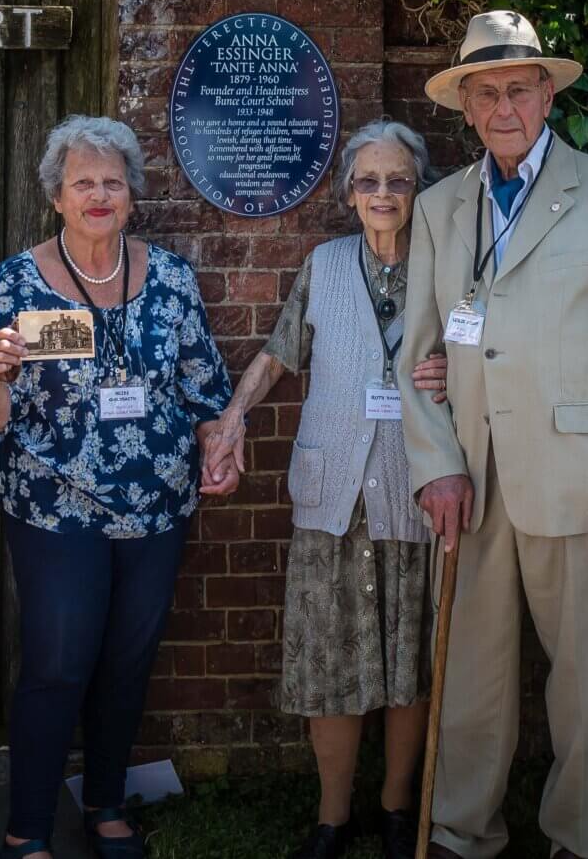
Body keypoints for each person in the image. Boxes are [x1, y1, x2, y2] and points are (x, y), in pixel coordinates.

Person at [399, 10, 588, 859]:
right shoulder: (443, 207)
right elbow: (418, 352)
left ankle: (579, 838)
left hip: (583, 481)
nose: (504, 106)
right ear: (467, 109)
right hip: (473, 479)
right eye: (487, 93)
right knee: (471, 678)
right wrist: (436, 466)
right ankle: (460, 829)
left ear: (547, 95)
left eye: (519, 88)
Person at [0, 115, 239, 859]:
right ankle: (26, 829)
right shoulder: (12, 283)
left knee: (128, 660)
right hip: (56, 507)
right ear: (56, 195)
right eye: (82, 182)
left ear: (130, 195)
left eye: (111, 182)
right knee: (58, 664)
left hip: (156, 506)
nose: (97, 195)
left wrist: (223, 441)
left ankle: (108, 805)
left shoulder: (173, 279)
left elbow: (206, 391)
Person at [209, 120, 441, 859]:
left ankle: (399, 807)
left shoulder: (447, 265)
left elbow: (484, 355)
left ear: (417, 189)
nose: (383, 193)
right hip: (331, 493)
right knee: (326, 666)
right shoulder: (324, 263)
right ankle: (332, 817)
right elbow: (279, 355)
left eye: (398, 180)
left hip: (413, 488)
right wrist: (233, 419)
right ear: (347, 193)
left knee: (410, 664)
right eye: (368, 181)